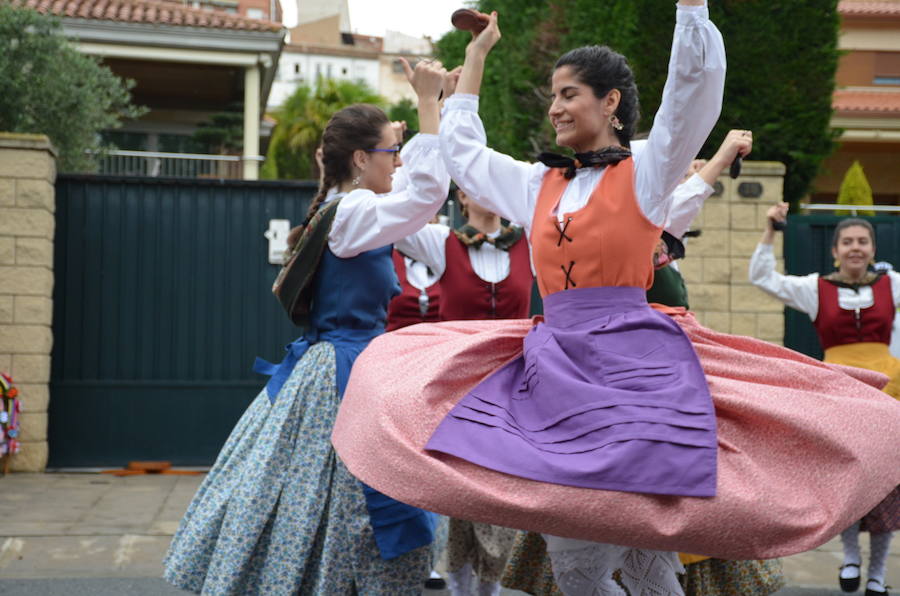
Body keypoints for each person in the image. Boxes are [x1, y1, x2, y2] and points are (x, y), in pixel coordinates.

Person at [332, 3, 900, 596]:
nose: (554, 107)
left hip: (638, 374)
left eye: (568, 93)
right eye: (553, 95)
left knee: (617, 567)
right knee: (599, 567)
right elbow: (468, 159)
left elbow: (691, 99)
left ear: (610, 103)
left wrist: (690, 9)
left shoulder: (648, 171)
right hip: (556, 375)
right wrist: (476, 58)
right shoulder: (538, 183)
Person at [163, 57, 451, 595]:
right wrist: (429, 104)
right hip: (347, 371)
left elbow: (416, 199)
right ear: (362, 159)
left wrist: (428, 117)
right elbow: (425, 197)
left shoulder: (349, 206)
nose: (398, 162)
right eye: (391, 152)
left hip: (339, 365)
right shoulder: (358, 210)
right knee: (357, 500)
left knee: (315, 495)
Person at [501, 131, 785, 596]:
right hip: (601, 385)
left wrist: (721, 155)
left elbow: (690, 193)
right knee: (601, 526)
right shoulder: (602, 232)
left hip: (659, 386)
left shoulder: (660, 234)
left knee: (657, 524)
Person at [750, 206, 900, 596]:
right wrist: (770, 230)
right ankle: (851, 557)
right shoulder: (816, 287)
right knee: (849, 483)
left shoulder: (893, 285)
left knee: (887, 488)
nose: (855, 248)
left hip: (888, 394)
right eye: (848, 242)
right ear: (835, 250)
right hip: (841, 395)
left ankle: (878, 574)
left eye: (862, 242)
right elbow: (762, 277)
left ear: (872, 248)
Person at [396, 184, 533, 596]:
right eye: (477, 185)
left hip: (511, 387)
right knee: (456, 491)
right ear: (464, 201)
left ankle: (490, 586)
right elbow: (398, 222)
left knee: (500, 489)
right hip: (457, 388)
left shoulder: (531, 241)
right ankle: (457, 587)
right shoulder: (442, 244)